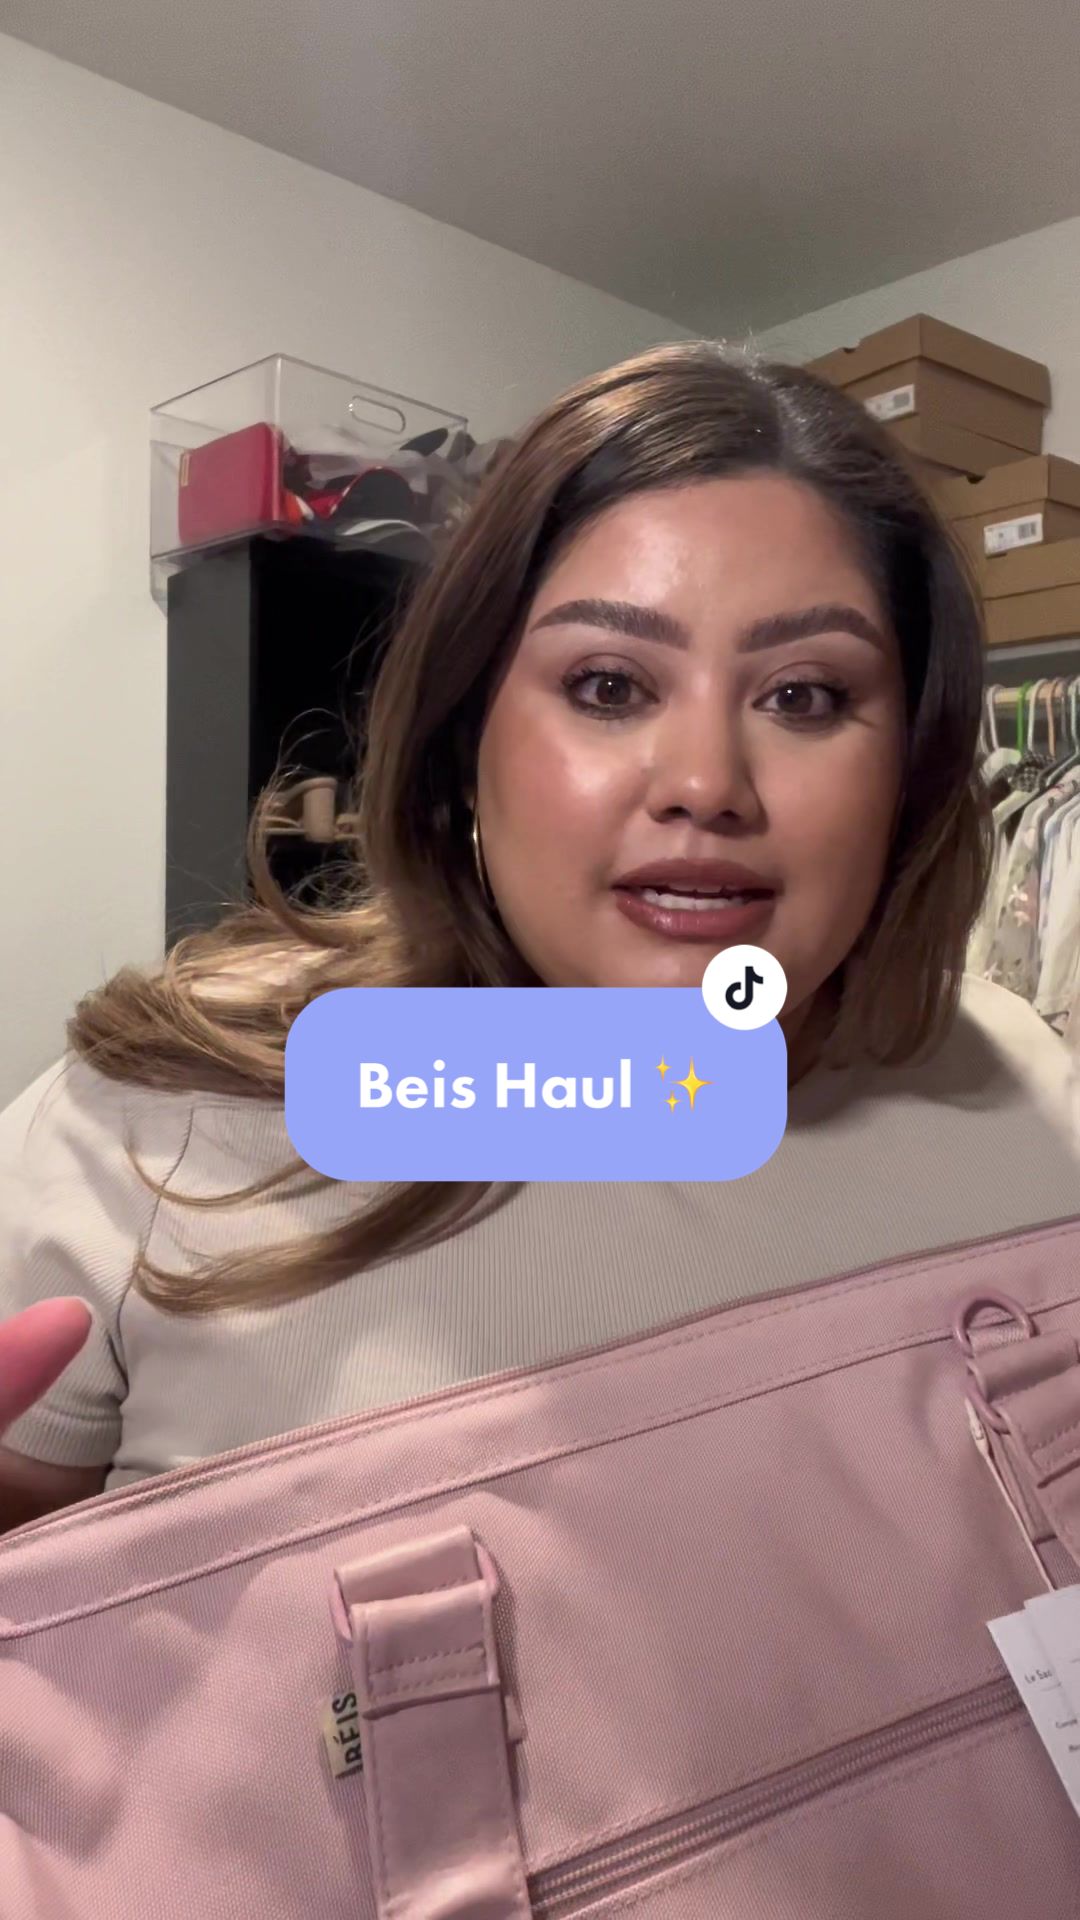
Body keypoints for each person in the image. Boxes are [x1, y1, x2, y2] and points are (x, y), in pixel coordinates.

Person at [0, 342, 1077, 1534]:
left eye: (803, 695)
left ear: (910, 768)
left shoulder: (1020, 1088)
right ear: (465, 738)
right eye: (609, 686)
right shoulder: (155, 1129)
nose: (707, 783)